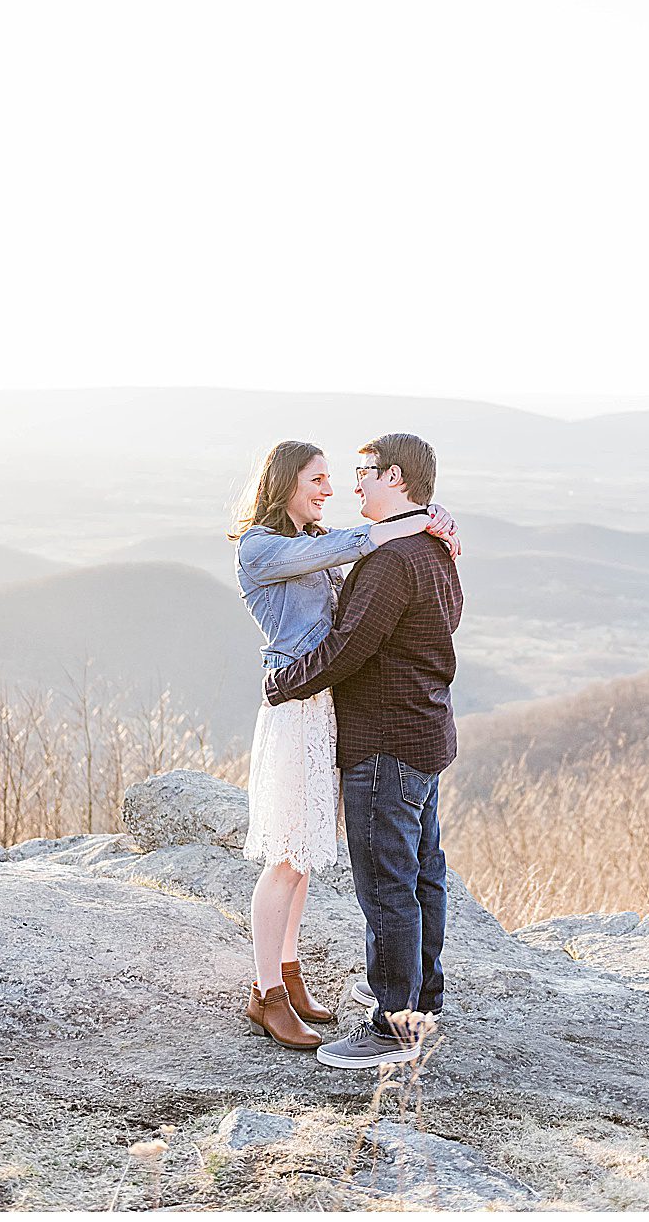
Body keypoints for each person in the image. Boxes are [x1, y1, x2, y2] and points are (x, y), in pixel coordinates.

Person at [231, 440, 457, 1051]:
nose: (332, 488)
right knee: (287, 853)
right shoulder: (263, 547)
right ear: (284, 483)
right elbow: (350, 554)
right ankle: (266, 992)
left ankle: (290, 975)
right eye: (318, 478)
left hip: (322, 705)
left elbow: (359, 608)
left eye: (341, 477)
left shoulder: (328, 543)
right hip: (296, 702)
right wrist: (414, 522)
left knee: (304, 852)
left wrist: (427, 522)